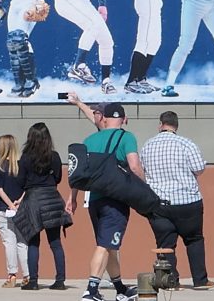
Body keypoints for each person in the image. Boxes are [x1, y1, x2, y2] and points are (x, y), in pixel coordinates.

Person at [66, 103, 142, 301]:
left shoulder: (89, 140)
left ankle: (120, 288)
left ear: (104, 118)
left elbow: (78, 172)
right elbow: (134, 167)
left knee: (109, 246)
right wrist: (145, 189)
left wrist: (72, 197)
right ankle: (91, 291)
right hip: (116, 201)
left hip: (94, 200)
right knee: (104, 245)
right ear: (124, 119)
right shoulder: (127, 137)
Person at [140, 111, 214, 290]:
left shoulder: (147, 145)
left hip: (159, 203)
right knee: (194, 239)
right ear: (176, 126)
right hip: (187, 201)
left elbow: (141, 171)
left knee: (165, 243)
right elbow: (198, 169)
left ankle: (170, 281)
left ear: (161, 124)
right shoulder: (186, 143)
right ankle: (200, 280)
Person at [14, 123, 71, 291]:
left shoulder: (25, 157)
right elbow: (59, 178)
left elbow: (20, 181)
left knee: (33, 242)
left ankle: (33, 281)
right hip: (52, 197)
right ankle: (60, 280)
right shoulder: (54, 156)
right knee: (55, 242)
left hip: (33, 199)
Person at [0, 134, 29, 288]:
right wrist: (19, 202)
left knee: (9, 242)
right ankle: (28, 275)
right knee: (22, 242)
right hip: (20, 208)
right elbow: (28, 187)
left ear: (3, 148)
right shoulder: (22, 166)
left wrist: (10, 205)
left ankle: (12, 275)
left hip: (2, 208)